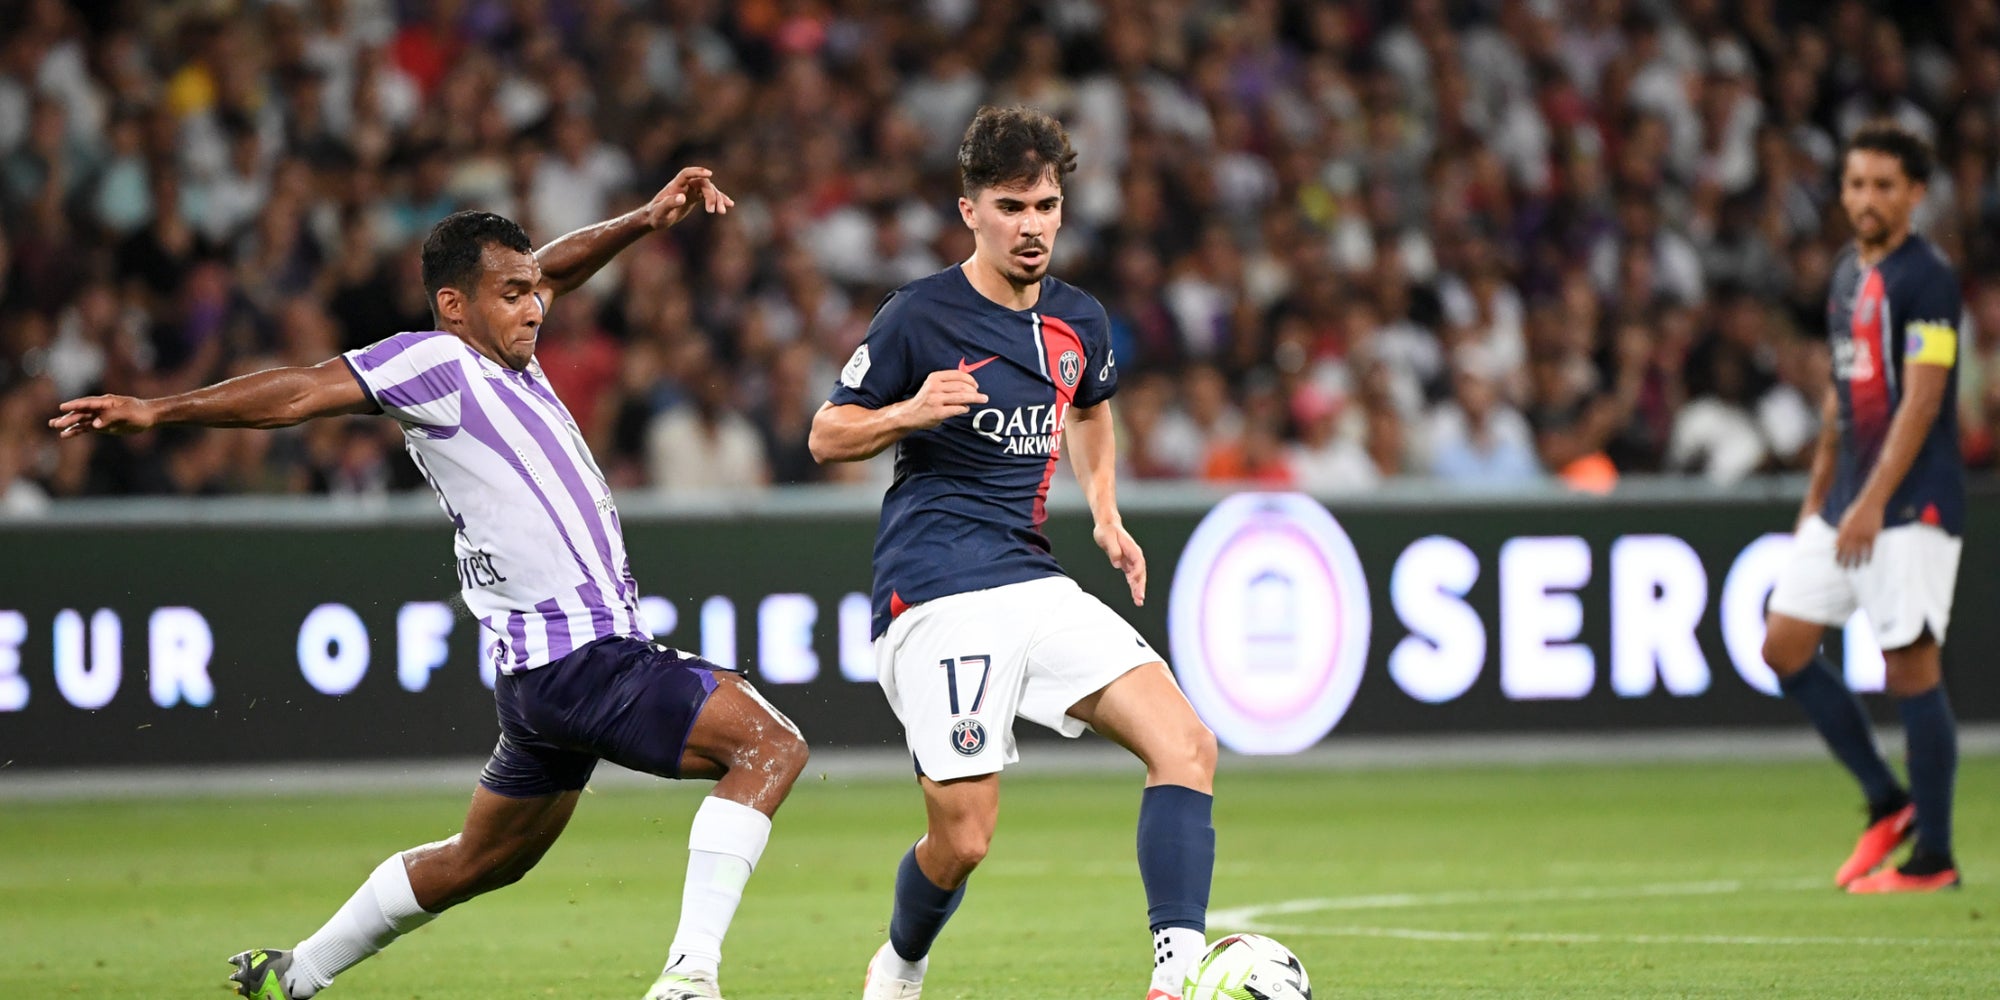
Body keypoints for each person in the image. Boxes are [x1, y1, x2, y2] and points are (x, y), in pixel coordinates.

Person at [51, 172, 810, 999]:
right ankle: (689, 976)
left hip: (544, 676)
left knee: (482, 859)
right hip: (581, 654)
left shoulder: (511, 356)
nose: (535, 307)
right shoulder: (437, 362)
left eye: (534, 292)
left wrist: (643, 220)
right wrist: (161, 412)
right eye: (512, 293)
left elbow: (553, 270)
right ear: (454, 305)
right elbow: (303, 390)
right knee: (769, 746)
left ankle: (294, 973)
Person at [809, 106, 1219, 1000]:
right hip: (936, 588)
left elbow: (1091, 409)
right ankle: (901, 962)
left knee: (1186, 743)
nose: (1031, 226)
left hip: (1033, 580)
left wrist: (1106, 515)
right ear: (970, 212)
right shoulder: (917, 316)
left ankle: (1176, 977)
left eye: (1045, 205)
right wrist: (906, 413)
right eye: (1010, 207)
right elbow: (826, 437)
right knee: (963, 839)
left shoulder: (1081, 319)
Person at [1760, 124, 1965, 893]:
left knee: (1909, 667)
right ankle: (1887, 799)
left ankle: (1935, 859)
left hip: (1911, 506)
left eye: (1884, 185)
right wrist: (1819, 498)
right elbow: (1841, 397)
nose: (1867, 199)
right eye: (1856, 184)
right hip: (1847, 499)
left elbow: (1923, 399)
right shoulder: (1847, 273)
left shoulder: (1929, 278)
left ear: (1915, 194)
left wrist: (1876, 500)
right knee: (1784, 645)